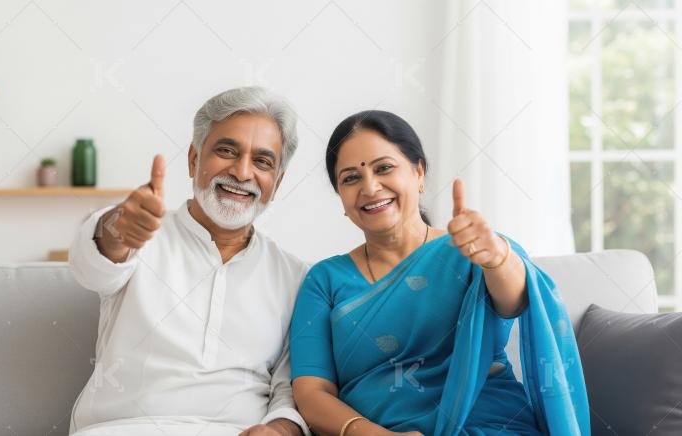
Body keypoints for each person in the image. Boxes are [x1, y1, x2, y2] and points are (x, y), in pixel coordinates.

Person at [289, 110, 589, 436]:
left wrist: (496, 258)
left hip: (488, 425)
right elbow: (311, 391)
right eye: (351, 178)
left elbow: (514, 302)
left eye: (384, 168)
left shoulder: (471, 247)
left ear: (418, 173)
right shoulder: (324, 280)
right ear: (341, 198)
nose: (370, 187)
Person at [68, 87, 309, 436]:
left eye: (262, 161)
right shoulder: (140, 235)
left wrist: (280, 430)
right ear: (194, 159)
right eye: (227, 151)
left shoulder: (295, 276)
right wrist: (119, 228)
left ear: (278, 181)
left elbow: (290, 389)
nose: (242, 173)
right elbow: (91, 267)